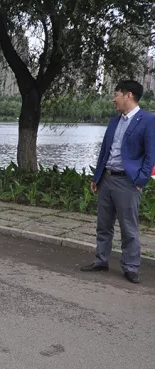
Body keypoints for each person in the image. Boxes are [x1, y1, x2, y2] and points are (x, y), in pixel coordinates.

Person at [80, 80, 155, 284]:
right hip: (107, 179)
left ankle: (131, 267)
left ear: (128, 95)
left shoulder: (148, 120)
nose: (114, 99)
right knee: (103, 225)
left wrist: (140, 180)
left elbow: (151, 155)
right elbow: (105, 150)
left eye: (116, 95)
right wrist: (97, 177)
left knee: (128, 228)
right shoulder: (114, 121)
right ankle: (101, 260)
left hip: (127, 182)